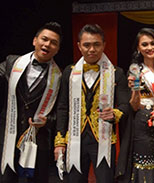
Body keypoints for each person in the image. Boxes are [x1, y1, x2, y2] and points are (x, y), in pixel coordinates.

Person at [0, 22, 63, 183]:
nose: (47, 44)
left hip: (38, 141)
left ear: (58, 49)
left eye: (53, 42)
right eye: (44, 39)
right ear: (35, 40)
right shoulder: (13, 62)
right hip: (7, 136)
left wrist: (48, 122)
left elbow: (60, 111)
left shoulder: (60, 76)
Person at [54, 24, 130, 182]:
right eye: (87, 45)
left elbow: (125, 104)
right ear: (79, 46)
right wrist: (59, 141)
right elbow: (62, 108)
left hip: (103, 138)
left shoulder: (117, 73)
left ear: (104, 45)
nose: (92, 49)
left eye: (96, 44)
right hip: (75, 138)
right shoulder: (69, 71)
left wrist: (114, 113)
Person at [115, 28, 154, 183]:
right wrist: (136, 90)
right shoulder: (135, 72)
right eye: (144, 44)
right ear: (138, 48)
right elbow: (134, 106)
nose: (149, 48)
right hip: (143, 125)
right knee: (146, 166)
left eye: (152, 43)